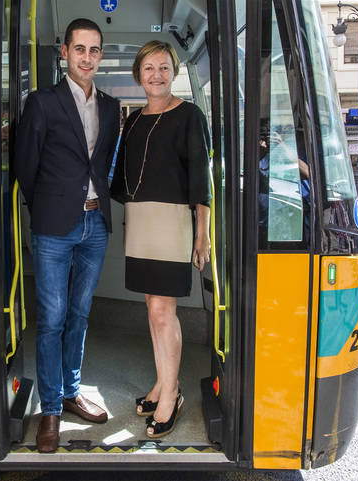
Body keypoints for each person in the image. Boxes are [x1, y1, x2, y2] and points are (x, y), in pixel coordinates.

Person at [12, 18, 121, 453]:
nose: (88, 57)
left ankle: (72, 391)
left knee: (79, 315)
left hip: (96, 225)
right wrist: (49, 211)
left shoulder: (112, 106)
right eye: (80, 49)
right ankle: (51, 409)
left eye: (95, 50)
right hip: (55, 227)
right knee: (52, 319)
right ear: (64, 52)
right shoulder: (41, 103)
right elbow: (26, 166)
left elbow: (105, 164)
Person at [110, 40, 211, 439]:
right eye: (149, 68)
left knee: (162, 312)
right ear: (139, 74)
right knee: (152, 307)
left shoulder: (189, 115)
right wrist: (126, 226)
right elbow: (126, 178)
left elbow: (201, 180)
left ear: (175, 72)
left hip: (173, 221)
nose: (157, 75)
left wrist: (201, 233)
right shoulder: (133, 120)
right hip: (140, 221)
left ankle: (171, 394)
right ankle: (161, 383)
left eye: (165, 67)